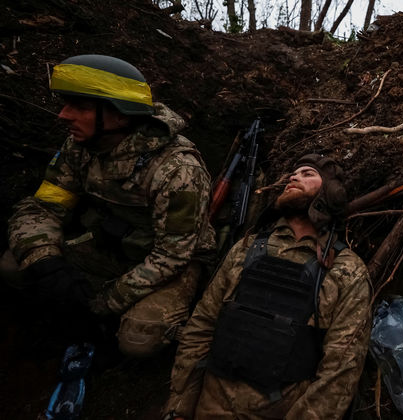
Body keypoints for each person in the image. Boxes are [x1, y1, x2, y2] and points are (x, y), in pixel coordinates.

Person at [5, 54, 216, 357]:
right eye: (66, 103)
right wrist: (46, 261)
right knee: (14, 266)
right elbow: (44, 207)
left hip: (171, 261)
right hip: (112, 243)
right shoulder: (79, 148)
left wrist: (101, 303)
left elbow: (171, 256)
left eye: (80, 107)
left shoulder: (177, 170)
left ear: (121, 115)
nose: (63, 115)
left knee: (138, 340)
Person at [163, 154, 372, 419]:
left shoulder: (347, 270)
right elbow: (201, 327)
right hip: (210, 405)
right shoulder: (246, 247)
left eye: (307, 173)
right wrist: (178, 407)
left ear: (332, 193)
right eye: (292, 174)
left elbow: (340, 371)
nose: (293, 177)